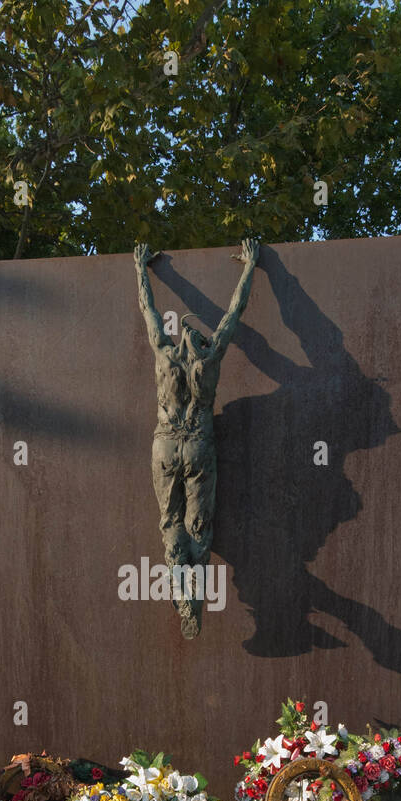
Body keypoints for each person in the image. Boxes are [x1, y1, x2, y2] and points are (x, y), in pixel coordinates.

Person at [134, 238, 259, 637]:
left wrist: (140, 268)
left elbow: (148, 310)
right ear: (201, 342)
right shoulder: (210, 358)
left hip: (166, 442)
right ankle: (195, 593)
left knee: (170, 521)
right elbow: (234, 312)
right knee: (198, 527)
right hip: (198, 443)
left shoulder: (164, 354)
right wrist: (249, 266)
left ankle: (178, 580)